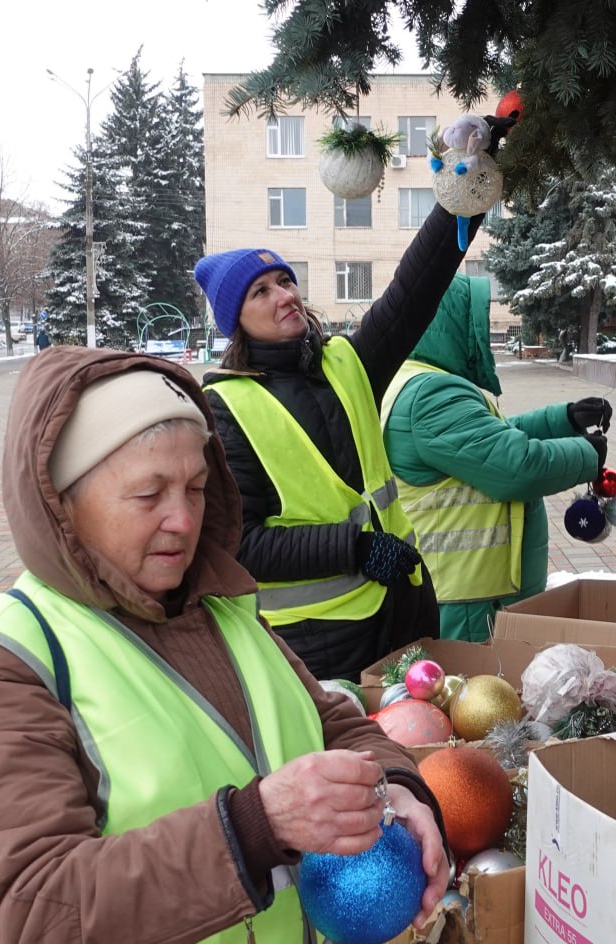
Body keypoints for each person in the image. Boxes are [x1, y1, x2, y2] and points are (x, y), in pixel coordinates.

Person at [0, 347, 449, 944]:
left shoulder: (222, 611)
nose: (184, 519)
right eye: (147, 493)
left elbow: (333, 722)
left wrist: (400, 787)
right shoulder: (0, 668)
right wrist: (256, 825)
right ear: (63, 501)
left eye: (196, 486)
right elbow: (31, 911)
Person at [195, 116, 515, 682]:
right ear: (234, 322)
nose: (284, 296)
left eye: (286, 281)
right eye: (261, 292)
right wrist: (356, 549)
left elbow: (414, 291)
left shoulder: (345, 363)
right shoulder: (224, 410)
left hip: (403, 605)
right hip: (315, 640)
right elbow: (239, 546)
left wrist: (462, 192)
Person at [381, 274, 612, 641]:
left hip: (460, 587)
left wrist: (562, 420)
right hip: (468, 598)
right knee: (478, 692)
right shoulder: (431, 395)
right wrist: (588, 454)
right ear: (450, 323)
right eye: (477, 322)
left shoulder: (415, 379)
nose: (483, 333)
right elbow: (514, 466)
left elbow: (489, 439)